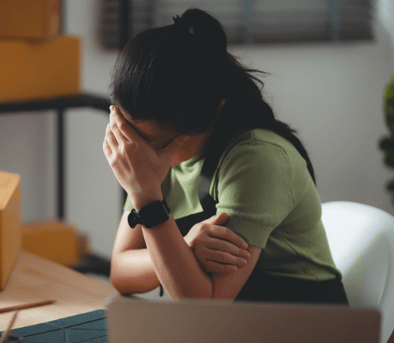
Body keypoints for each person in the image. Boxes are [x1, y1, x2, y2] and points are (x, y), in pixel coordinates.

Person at [102, 8, 348, 304]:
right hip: (231, 328)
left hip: (298, 325)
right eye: (131, 135)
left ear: (212, 113)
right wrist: (185, 245)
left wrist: (147, 199)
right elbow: (121, 271)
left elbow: (205, 304)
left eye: (153, 142)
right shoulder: (149, 156)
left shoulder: (257, 159)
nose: (136, 152)